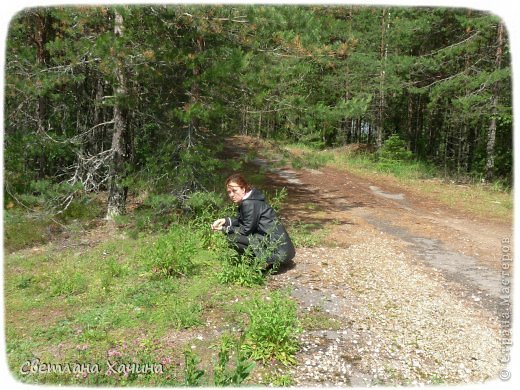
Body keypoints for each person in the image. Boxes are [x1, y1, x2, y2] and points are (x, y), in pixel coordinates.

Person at [211, 173, 296, 267]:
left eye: (234, 191)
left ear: (243, 189)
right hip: (283, 249)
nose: (231, 195)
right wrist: (225, 221)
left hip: (277, 250)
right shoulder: (253, 199)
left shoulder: (249, 203)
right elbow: (245, 221)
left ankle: (261, 263)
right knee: (234, 235)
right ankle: (260, 262)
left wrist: (224, 229)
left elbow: (245, 230)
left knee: (232, 238)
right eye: (229, 192)